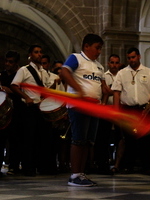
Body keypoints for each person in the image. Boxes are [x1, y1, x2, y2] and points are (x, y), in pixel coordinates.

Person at [60, 33, 106, 187]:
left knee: (88, 142)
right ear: (86, 46)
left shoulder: (99, 66)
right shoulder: (76, 58)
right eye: (97, 48)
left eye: (100, 48)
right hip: (78, 106)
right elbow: (64, 72)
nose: (99, 51)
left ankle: (81, 173)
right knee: (78, 140)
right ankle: (74, 175)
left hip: (94, 107)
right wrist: (79, 89)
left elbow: (104, 87)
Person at [111, 47, 150, 175]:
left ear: (139, 56)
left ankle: (147, 167)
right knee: (128, 139)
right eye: (129, 58)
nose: (131, 60)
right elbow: (116, 92)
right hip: (128, 109)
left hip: (144, 109)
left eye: (133, 57)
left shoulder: (148, 72)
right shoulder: (122, 73)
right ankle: (128, 166)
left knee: (145, 139)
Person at [11, 44, 57, 176]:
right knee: (29, 138)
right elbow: (14, 86)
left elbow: (47, 89)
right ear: (30, 55)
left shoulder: (44, 72)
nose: (39, 54)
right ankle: (28, 168)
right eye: (36, 52)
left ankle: (43, 167)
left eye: (41, 52)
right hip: (29, 108)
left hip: (41, 108)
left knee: (43, 138)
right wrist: (26, 97)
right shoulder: (24, 70)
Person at [94, 54, 122, 174]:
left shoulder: (122, 76)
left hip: (120, 110)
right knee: (103, 138)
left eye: (116, 63)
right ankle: (103, 163)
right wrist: (113, 91)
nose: (114, 65)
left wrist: (111, 91)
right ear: (108, 64)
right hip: (106, 110)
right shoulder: (104, 76)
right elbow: (104, 91)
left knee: (120, 138)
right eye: (112, 62)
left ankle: (119, 164)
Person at [0, 50, 25, 176]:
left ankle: (14, 166)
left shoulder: (20, 75)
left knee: (15, 140)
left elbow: (22, 92)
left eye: (10, 62)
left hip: (17, 112)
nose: (7, 64)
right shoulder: (2, 75)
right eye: (6, 61)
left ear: (16, 63)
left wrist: (10, 90)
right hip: (3, 114)